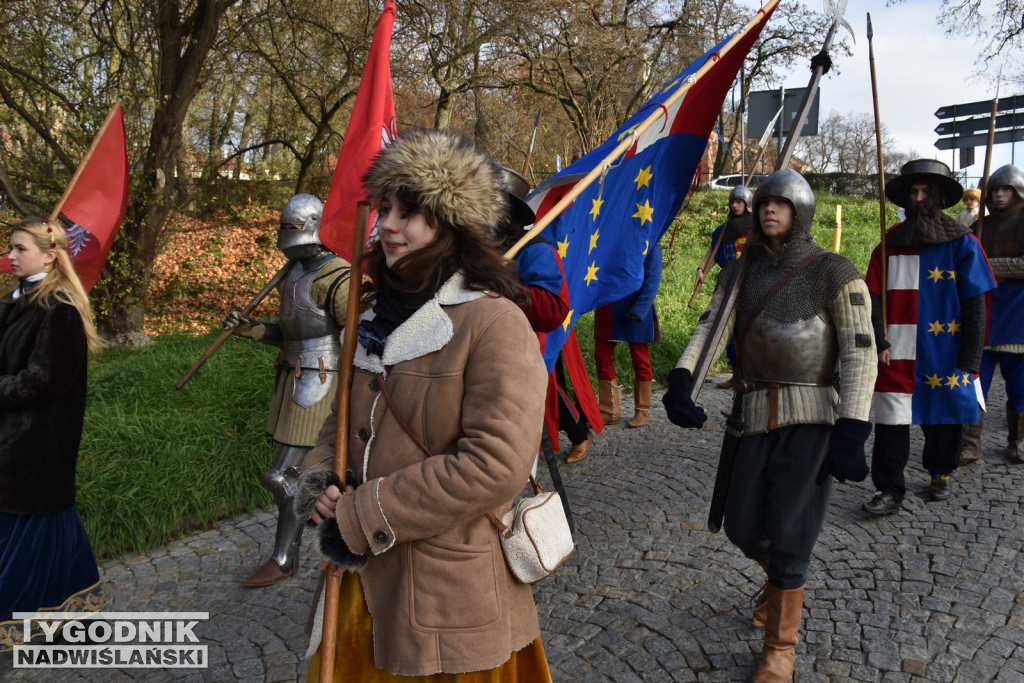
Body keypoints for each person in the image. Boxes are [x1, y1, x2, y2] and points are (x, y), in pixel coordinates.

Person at [292, 128, 551, 680]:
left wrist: (363, 514)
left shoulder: (494, 323)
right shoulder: (367, 314)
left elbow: (495, 466)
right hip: (358, 587)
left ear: (450, 224)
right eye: (384, 207)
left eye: (408, 212)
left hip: (443, 596)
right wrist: (320, 482)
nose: (385, 223)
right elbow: (338, 427)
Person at [662, 169, 877, 682]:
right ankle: (781, 579)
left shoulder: (834, 271)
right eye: (764, 204)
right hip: (752, 411)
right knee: (740, 523)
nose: (769, 211)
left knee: (790, 529)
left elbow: (860, 352)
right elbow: (709, 327)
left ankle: (780, 648)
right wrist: (681, 379)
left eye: (780, 204)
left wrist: (853, 427)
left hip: (811, 417)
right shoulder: (741, 270)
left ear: (800, 212)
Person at [224, 194, 352, 587]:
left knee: (285, 477)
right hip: (293, 377)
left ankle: (303, 550)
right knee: (294, 474)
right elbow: (291, 331)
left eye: (290, 227)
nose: (285, 235)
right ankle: (297, 551)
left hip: (323, 381)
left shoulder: (338, 275)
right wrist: (252, 328)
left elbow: (356, 335)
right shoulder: (293, 272)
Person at [862, 159, 995, 514]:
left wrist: (971, 358)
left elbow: (975, 303)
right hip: (898, 348)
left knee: (944, 415)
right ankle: (889, 489)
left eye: (925, 192)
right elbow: (872, 297)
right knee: (891, 419)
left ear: (937, 196)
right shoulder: (889, 245)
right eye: (913, 192)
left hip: (945, 346)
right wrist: (880, 339)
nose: (918, 198)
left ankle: (940, 472)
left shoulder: (962, 245)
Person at [0, 218, 106, 651]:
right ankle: (72, 608)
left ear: (49, 254)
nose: (10, 255)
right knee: (50, 525)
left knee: (22, 531)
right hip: (14, 438)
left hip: (36, 443)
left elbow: (43, 380)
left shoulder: (59, 308)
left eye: (19, 248)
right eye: (9, 247)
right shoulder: (15, 300)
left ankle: (17, 624)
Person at [497, 167, 601, 463]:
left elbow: (552, 307)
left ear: (506, 215)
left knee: (546, 390)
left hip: (529, 344)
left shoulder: (533, 250)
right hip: (485, 353)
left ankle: (579, 432)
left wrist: (503, 287)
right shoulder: (474, 247)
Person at [960, 164, 1024, 465]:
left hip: (1018, 318)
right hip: (983, 317)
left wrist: (985, 267)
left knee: (1020, 386)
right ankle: (970, 444)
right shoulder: (978, 227)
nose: (999, 195)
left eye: (1006, 189)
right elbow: (963, 264)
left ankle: (1018, 442)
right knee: (974, 385)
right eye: (996, 189)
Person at [593, 241, 663, 428]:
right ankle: (609, 411)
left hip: (636, 304)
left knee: (640, 359)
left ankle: (643, 410)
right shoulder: (613, 232)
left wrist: (640, 309)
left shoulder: (650, 237)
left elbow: (653, 277)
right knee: (602, 356)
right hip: (608, 304)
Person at [696, 185, 752, 389]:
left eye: (739, 202)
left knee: (751, 328)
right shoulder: (723, 231)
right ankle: (736, 373)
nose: (735, 205)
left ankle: (752, 373)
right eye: (733, 202)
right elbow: (713, 252)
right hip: (730, 283)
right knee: (729, 327)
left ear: (747, 205)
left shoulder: (757, 229)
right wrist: (702, 269)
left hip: (752, 283)